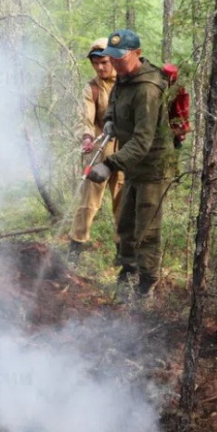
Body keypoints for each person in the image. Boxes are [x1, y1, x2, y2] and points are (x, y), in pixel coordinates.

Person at [86, 29, 175, 298]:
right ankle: (127, 272)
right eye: (111, 58)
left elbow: (143, 140)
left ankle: (146, 286)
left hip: (152, 166)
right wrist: (110, 119)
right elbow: (114, 100)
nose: (114, 63)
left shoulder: (147, 89)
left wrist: (110, 164)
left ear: (136, 53)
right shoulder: (124, 78)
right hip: (132, 164)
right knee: (125, 222)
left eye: (119, 58)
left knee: (146, 228)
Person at [68, 38, 124, 262]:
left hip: (124, 150)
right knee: (88, 202)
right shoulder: (91, 88)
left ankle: (123, 254)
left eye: (104, 62)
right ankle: (76, 248)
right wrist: (87, 137)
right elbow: (86, 118)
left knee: (122, 202)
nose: (100, 67)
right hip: (99, 148)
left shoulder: (127, 82)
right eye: (96, 63)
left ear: (113, 59)